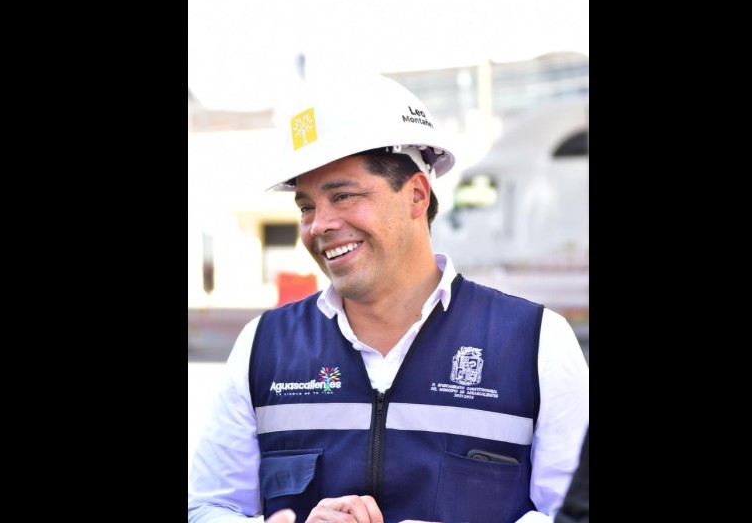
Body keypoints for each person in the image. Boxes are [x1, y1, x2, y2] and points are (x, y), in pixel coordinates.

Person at [188, 73, 589, 523]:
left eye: (343, 196)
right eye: (306, 207)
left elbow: (574, 515)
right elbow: (207, 508)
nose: (319, 224)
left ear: (416, 195)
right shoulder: (263, 346)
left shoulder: (536, 343)